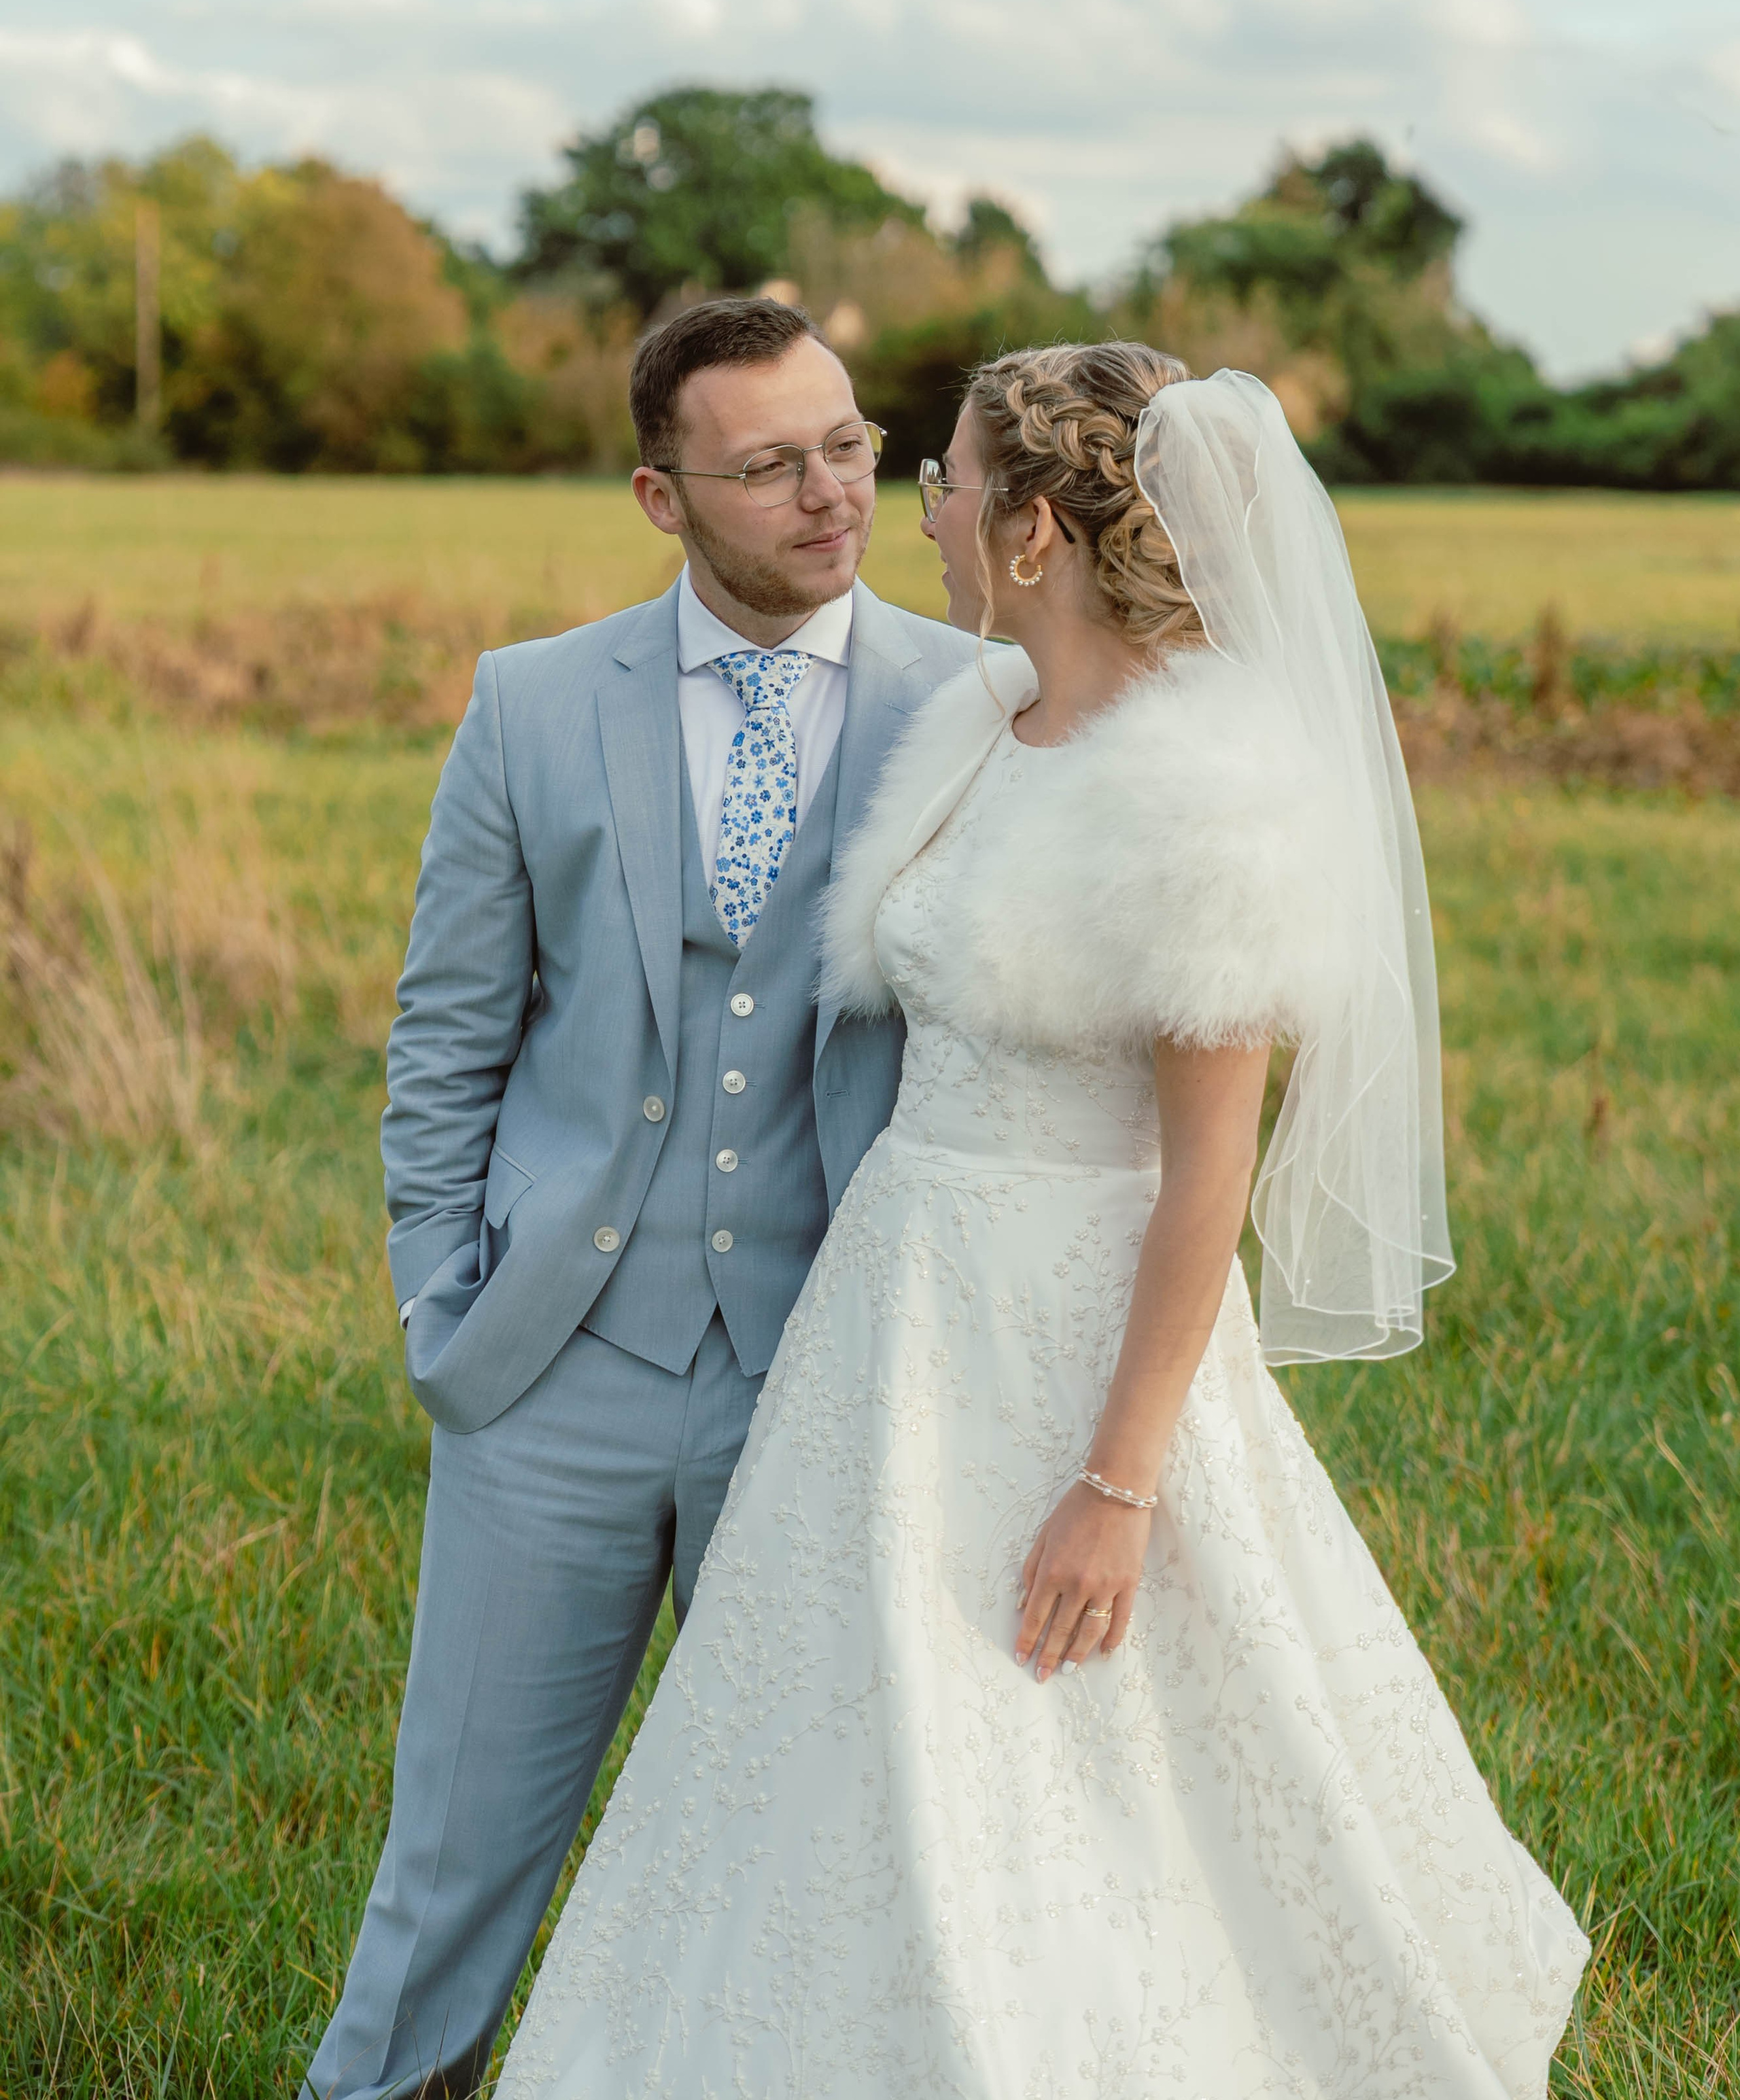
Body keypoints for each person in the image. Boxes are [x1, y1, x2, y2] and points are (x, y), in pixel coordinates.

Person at [493, 344, 1590, 2099]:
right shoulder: (974, 727)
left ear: (1032, 532)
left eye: (938, 478)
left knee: (1085, 1740)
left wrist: (1119, 1481)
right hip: (898, 1314)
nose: (905, 508)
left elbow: (1206, 1177)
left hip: (1084, 1333)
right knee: (850, 1733)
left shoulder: (1206, 786)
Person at [302, 297, 977, 2100]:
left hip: (825, 1376)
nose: (831, 496)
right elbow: (448, 1029)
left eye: (845, 445)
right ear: (660, 496)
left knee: (796, 1859)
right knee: (455, 1862)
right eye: (765, 468)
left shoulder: (969, 704)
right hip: (551, 1368)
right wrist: (443, 1307)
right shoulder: (532, 703)